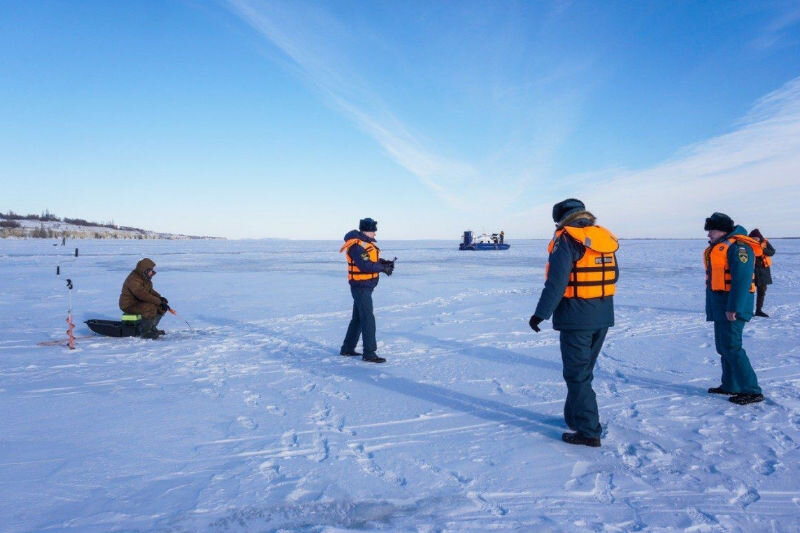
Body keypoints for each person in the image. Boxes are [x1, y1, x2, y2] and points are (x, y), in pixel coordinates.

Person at [529, 199, 619, 447]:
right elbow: (614, 274)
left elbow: (556, 283)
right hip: (602, 315)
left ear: (561, 219)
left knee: (577, 375)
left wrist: (540, 314)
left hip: (576, 317)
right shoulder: (602, 238)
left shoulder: (567, 239)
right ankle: (576, 418)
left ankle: (589, 431)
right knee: (582, 372)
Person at [703, 213, 764, 404]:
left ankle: (752, 390)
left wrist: (734, 307)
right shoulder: (721, 247)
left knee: (732, 347)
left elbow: (742, 280)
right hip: (721, 305)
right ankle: (731, 384)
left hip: (733, 307)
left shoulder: (739, 248)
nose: (709, 235)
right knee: (723, 347)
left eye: (711, 230)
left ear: (722, 230)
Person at [340, 218, 395, 363]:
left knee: (358, 318)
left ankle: (347, 348)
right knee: (368, 318)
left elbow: (370, 260)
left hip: (365, 286)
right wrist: (383, 268)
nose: (375, 234)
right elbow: (365, 265)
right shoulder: (356, 246)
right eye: (373, 231)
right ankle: (369, 353)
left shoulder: (364, 244)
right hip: (361, 286)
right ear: (366, 231)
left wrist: (383, 262)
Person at [119, 258, 170, 339]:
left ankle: (152, 328)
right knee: (150, 307)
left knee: (160, 307)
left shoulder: (144, 277)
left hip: (138, 302)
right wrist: (158, 301)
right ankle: (146, 332)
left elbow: (149, 290)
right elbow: (142, 294)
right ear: (145, 270)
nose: (152, 272)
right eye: (150, 270)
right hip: (128, 305)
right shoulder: (133, 279)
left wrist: (160, 298)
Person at [748, 228, 775, 317]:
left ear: (760, 237)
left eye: (756, 238)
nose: (755, 240)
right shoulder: (747, 244)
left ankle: (758, 310)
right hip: (751, 270)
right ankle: (748, 311)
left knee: (762, 291)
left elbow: (772, 252)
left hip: (764, 271)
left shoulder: (765, 243)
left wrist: (762, 250)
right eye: (753, 238)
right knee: (749, 291)